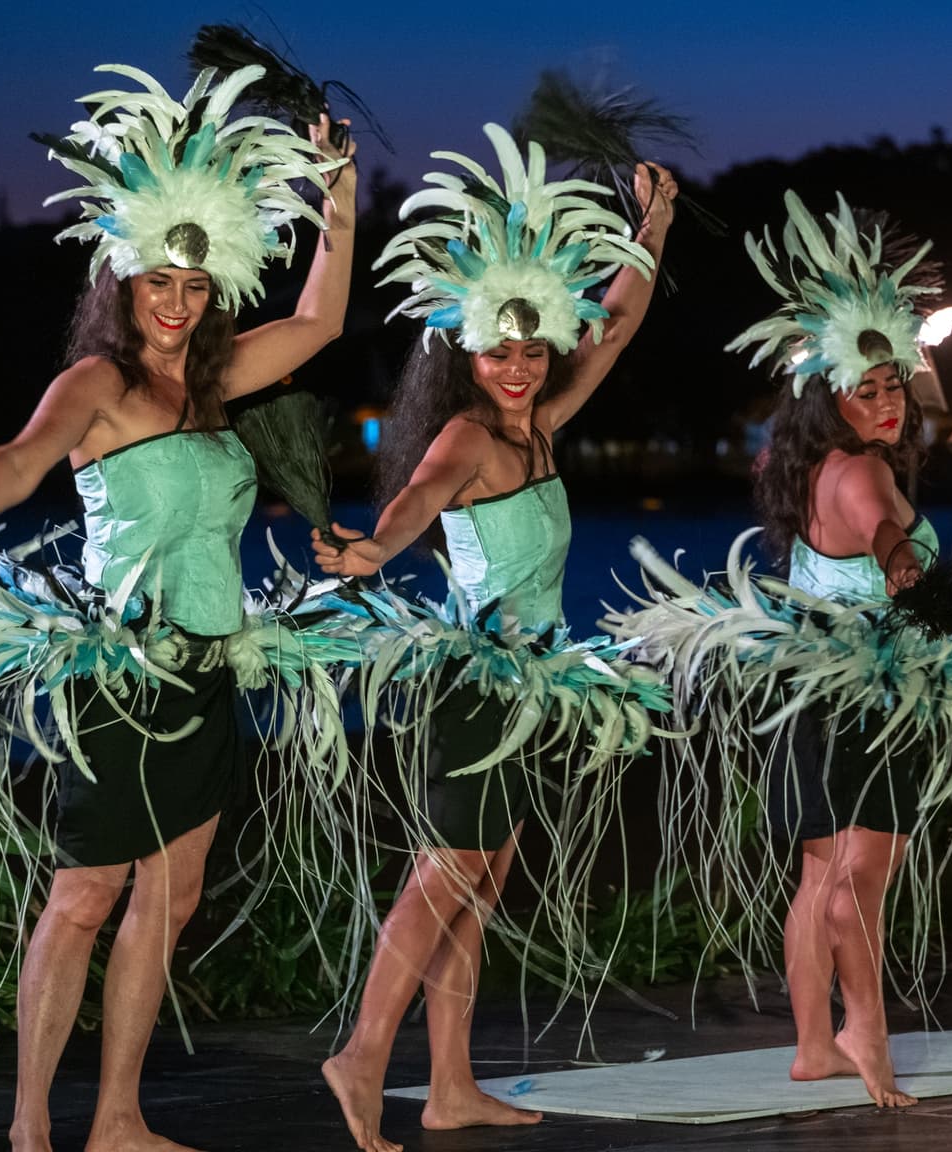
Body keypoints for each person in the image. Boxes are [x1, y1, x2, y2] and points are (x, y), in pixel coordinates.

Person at [0, 62, 351, 1152]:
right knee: (86, 895)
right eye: (157, 285)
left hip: (208, 674)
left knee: (171, 901)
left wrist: (339, 190)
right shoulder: (95, 384)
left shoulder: (219, 387)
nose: (177, 306)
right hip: (121, 681)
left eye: (195, 288)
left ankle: (120, 1118)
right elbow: (19, 458)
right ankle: (32, 1127)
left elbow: (322, 317)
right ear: (124, 279)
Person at [606, 191, 952, 1108]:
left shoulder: (811, 468)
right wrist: (905, 571)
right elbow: (884, 529)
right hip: (865, 696)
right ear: (831, 393)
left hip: (808, 689)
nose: (887, 402)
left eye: (894, 386)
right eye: (867, 389)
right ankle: (867, 1033)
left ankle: (812, 1045)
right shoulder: (868, 472)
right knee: (860, 884)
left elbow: (867, 514)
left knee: (817, 876)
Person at [311, 125, 673, 1152]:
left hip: (530, 689)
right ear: (464, 349)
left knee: (478, 888)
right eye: (497, 351)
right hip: (474, 685)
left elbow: (620, 317)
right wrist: (374, 551)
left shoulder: (543, 423)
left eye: (529, 350)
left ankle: (452, 1086)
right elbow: (415, 497)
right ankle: (362, 1053)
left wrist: (653, 224)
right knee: (445, 877)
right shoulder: (468, 435)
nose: (516, 367)